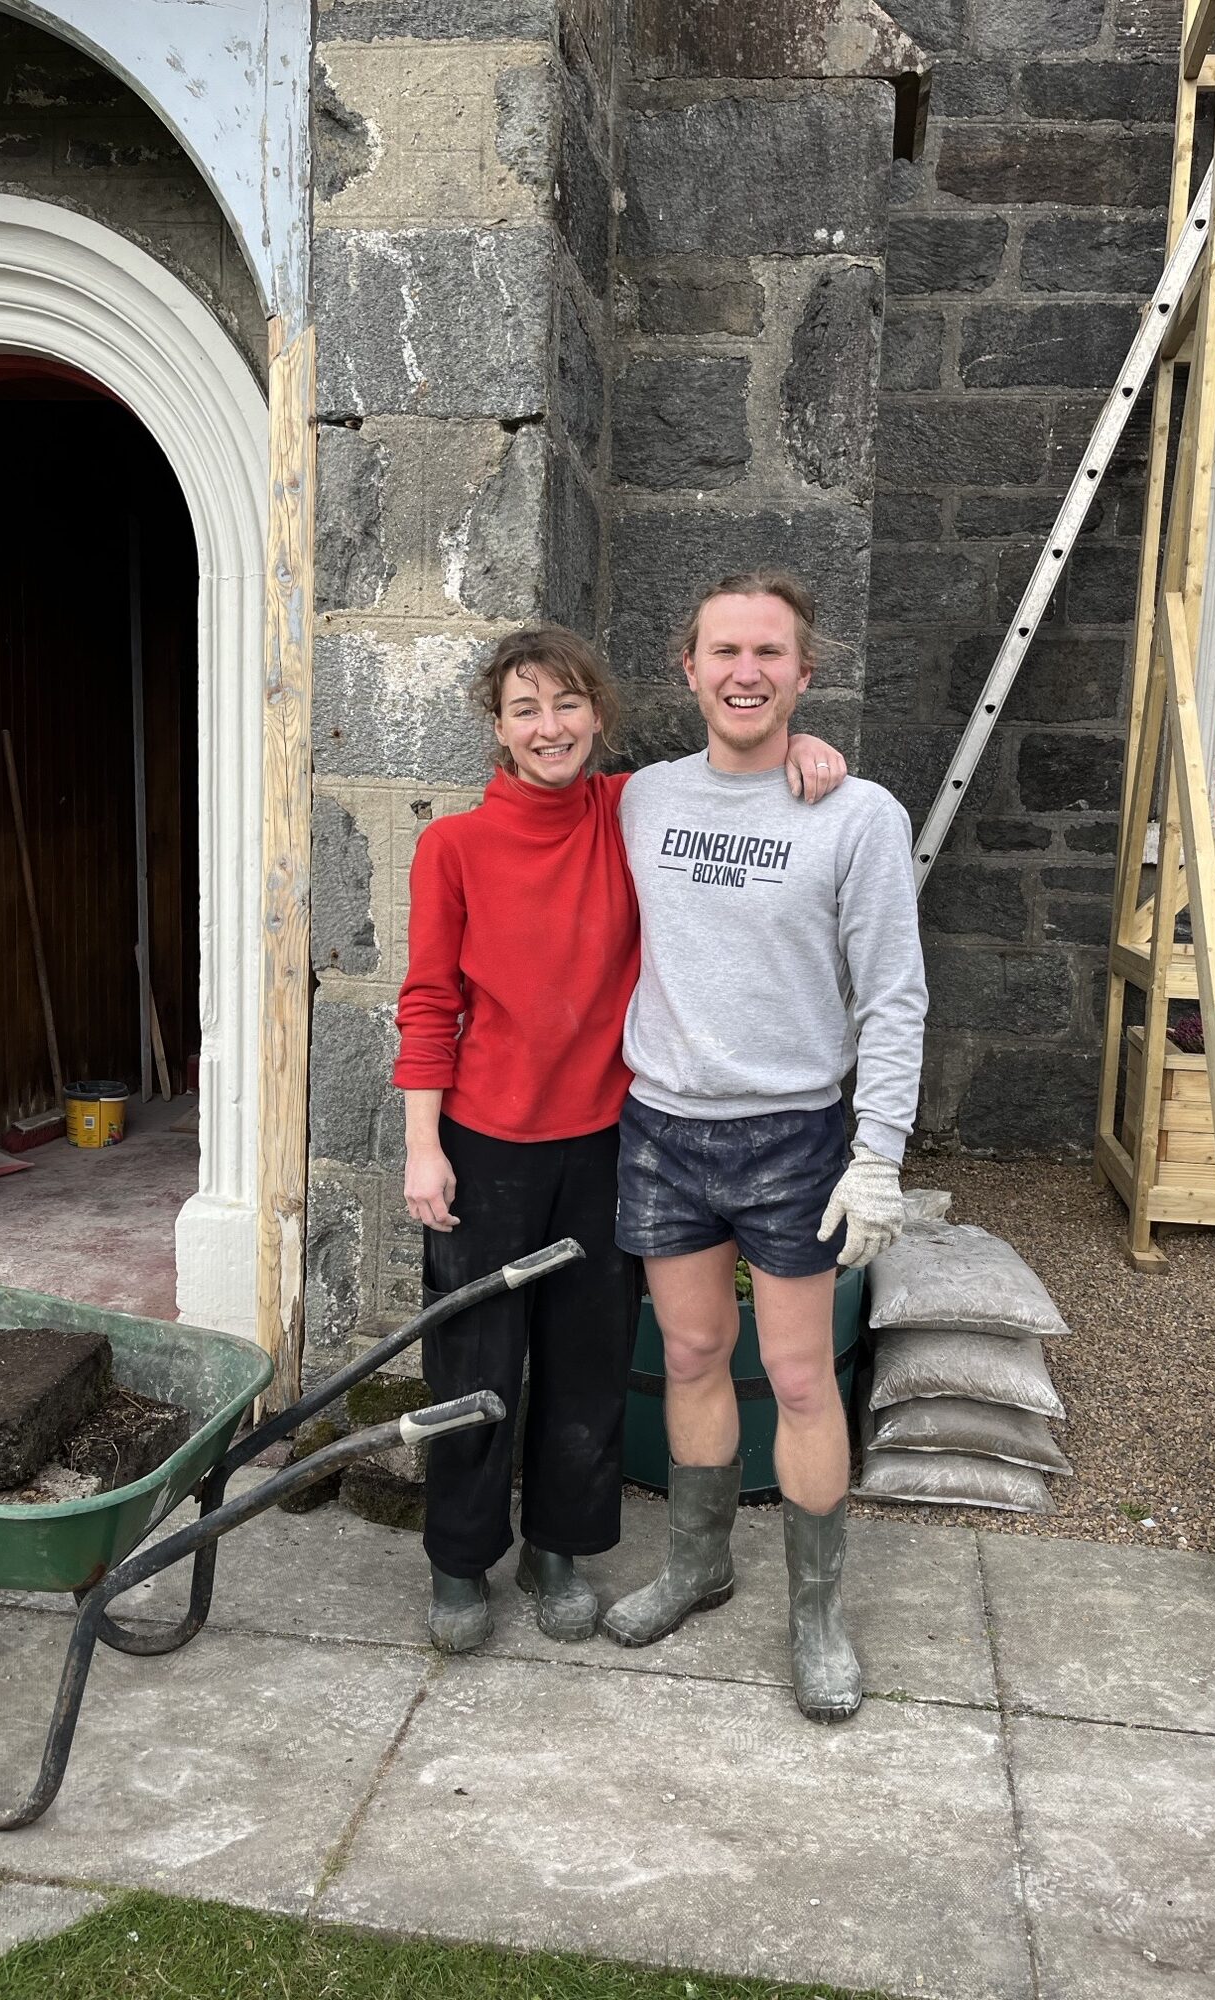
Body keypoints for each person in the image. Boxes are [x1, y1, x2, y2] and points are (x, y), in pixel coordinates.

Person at [394, 625, 847, 1654]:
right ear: (498, 728)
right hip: (486, 1142)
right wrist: (425, 1145)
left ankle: (559, 1548)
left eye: (566, 704)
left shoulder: (633, 808)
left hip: (607, 1139)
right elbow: (427, 1003)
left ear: (598, 714)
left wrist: (807, 751)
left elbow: (737, 761)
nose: (549, 726)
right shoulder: (453, 847)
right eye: (525, 709)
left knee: (587, 1359)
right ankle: (460, 1560)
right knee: (475, 1360)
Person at [600, 571, 926, 1724]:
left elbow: (893, 997)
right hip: (664, 1126)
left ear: (804, 671)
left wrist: (876, 1151)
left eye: (770, 653)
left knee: (795, 1375)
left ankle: (816, 1610)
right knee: (691, 1357)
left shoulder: (858, 816)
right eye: (725, 650)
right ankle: (697, 1561)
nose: (747, 671)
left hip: (795, 1134)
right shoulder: (641, 798)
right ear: (686, 668)